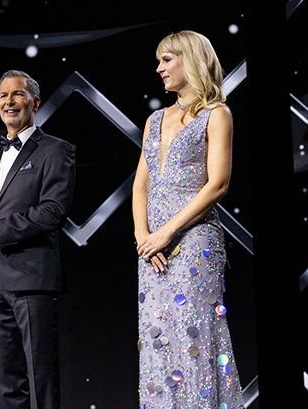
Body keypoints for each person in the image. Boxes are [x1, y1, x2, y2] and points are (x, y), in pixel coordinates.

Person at [132, 30, 245, 408]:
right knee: (158, 340)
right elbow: (141, 185)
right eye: (158, 61)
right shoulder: (154, 120)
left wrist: (167, 232)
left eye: (167, 59)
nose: (159, 68)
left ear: (191, 59)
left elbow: (218, 184)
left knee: (192, 336)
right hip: (152, 250)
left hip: (194, 243)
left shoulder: (217, 115)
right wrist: (143, 237)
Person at [0, 69, 76, 409]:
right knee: (4, 381)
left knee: (40, 378)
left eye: (17, 94)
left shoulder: (56, 150)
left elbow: (52, 212)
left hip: (32, 278)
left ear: (35, 102)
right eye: (3, 95)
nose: (9, 101)